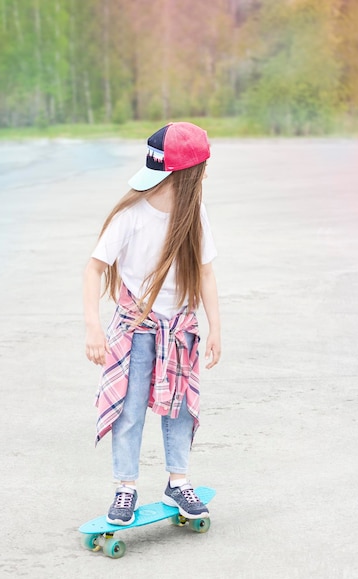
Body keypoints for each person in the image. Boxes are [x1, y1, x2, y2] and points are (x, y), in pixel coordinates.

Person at [83, 122, 220, 526]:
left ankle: (179, 481)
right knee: (129, 410)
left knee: (178, 408)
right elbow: (93, 269)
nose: (207, 175)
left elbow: (207, 273)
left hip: (178, 327)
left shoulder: (194, 214)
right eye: (203, 168)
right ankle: (124, 487)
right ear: (185, 174)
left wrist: (216, 328)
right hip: (136, 327)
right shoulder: (131, 215)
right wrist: (93, 326)